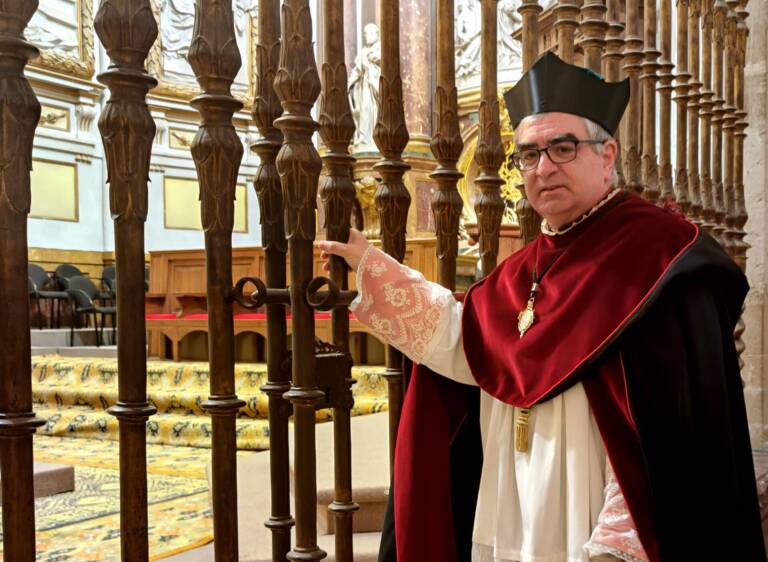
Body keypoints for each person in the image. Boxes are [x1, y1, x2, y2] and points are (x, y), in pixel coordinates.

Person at [319, 52, 765, 562]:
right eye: (529, 154)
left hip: (594, 522)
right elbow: (468, 341)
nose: (544, 167)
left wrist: (619, 538)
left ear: (607, 155)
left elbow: (668, 423)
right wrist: (375, 268)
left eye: (563, 147)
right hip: (515, 506)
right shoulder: (523, 268)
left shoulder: (662, 257)